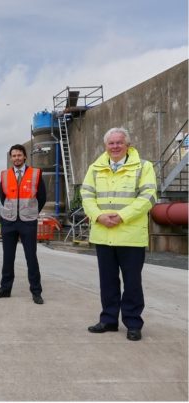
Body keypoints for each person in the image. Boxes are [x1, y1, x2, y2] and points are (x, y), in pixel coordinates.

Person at [81, 127, 156, 341]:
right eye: (111, 143)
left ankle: (133, 323)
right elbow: (86, 195)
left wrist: (122, 216)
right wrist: (98, 216)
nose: (115, 146)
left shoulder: (143, 167)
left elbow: (148, 196)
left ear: (127, 145)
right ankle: (108, 320)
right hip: (103, 234)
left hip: (130, 235)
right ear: (106, 146)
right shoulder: (95, 168)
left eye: (119, 143)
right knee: (108, 280)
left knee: (132, 282)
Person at [0, 144, 46, 304]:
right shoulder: (5, 175)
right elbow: (3, 197)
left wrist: (31, 211)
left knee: (31, 258)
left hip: (28, 221)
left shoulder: (35, 173)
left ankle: (36, 292)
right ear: (11, 158)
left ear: (25, 156)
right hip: (9, 221)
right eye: (14, 156)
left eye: (19, 155)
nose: (17, 158)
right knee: (8, 257)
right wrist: (12, 213)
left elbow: (42, 197)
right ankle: (5, 289)